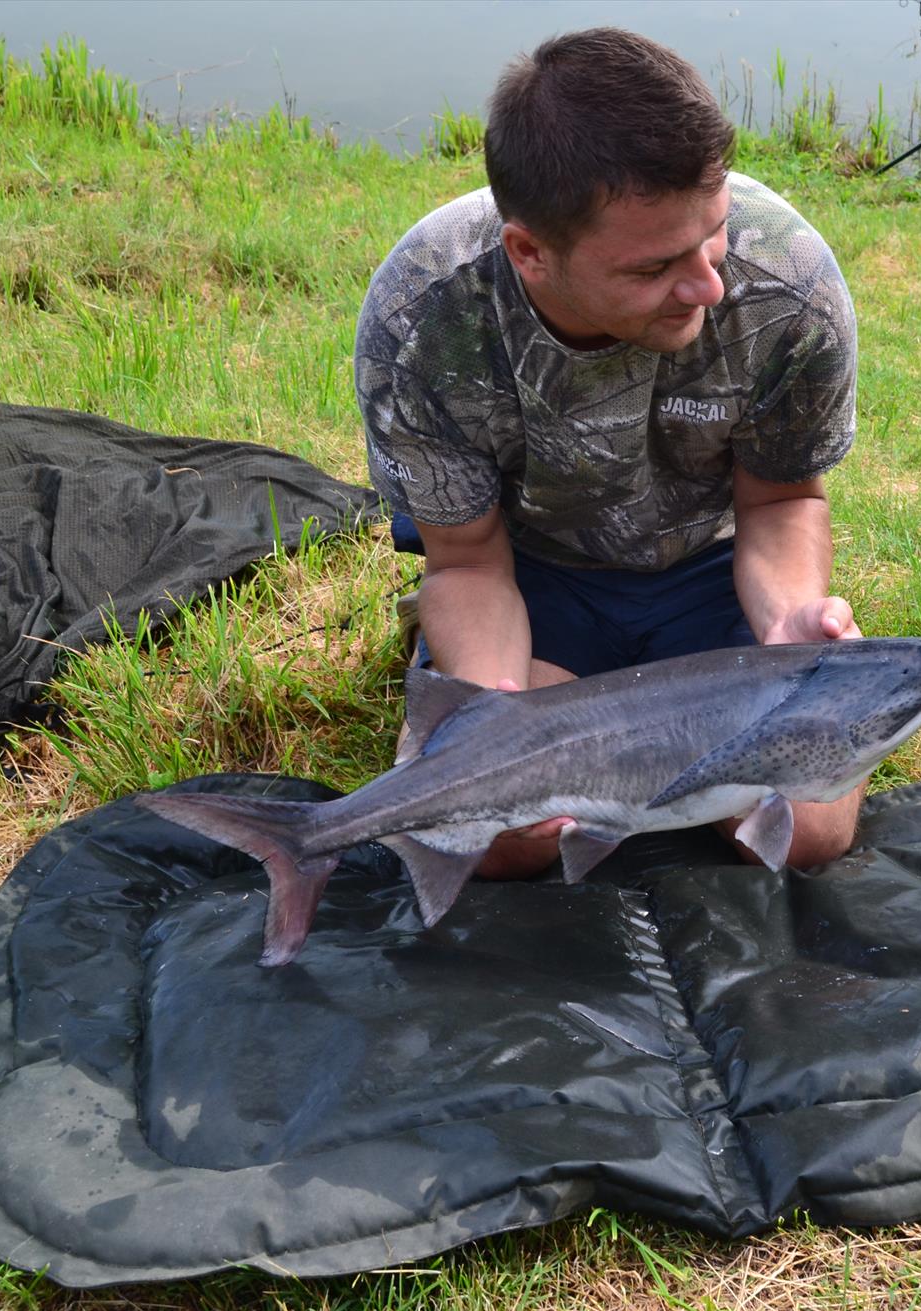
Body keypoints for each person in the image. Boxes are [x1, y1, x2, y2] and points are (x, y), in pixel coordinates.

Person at [353, 27, 862, 880]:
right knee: (497, 840)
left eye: (714, 233)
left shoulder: (790, 285)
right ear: (531, 253)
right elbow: (467, 560)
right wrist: (495, 713)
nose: (706, 284)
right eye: (655, 265)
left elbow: (781, 503)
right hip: (536, 578)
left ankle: (668, 766)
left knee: (807, 834)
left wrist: (785, 626)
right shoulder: (424, 317)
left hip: (710, 578)